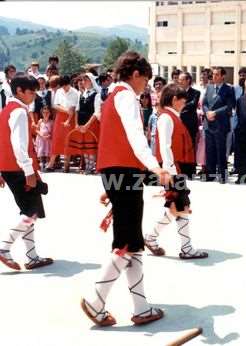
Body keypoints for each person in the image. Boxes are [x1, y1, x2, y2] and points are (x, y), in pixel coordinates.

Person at [80, 51, 170, 327]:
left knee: (132, 242)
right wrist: (156, 167)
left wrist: (113, 183)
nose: (146, 86)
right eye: (145, 79)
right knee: (126, 243)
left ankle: (141, 308)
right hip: (125, 171)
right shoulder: (126, 95)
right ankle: (96, 301)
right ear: (135, 74)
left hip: (118, 172)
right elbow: (134, 135)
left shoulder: (109, 97)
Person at [144, 83, 207, 259]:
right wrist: (169, 171)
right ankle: (185, 248)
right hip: (171, 169)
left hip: (173, 168)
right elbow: (165, 146)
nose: (184, 104)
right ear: (174, 100)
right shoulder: (166, 118)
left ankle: (151, 238)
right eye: (182, 101)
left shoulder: (171, 116)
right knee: (181, 206)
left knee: (177, 207)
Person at [0, 74, 53, 271]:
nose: (34, 96)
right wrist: (29, 171)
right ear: (19, 91)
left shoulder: (6, 110)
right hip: (19, 168)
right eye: (31, 92)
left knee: (29, 212)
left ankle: (32, 256)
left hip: (9, 167)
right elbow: (19, 145)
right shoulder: (19, 112)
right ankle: (4, 248)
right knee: (31, 212)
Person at [202, 67, 236, 183]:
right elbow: (204, 103)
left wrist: (215, 113)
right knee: (209, 150)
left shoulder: (229, 89)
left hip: (221, 124)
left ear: (223, 76)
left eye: (217, 74)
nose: (214, 77)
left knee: (221, 151)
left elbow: (229, 106)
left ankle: (222, 175)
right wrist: (207, 112)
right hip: (209, 123)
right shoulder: (209, 87)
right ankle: (210, 174)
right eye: (213, 74)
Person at [69, 73, 102, 174]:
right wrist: (76, 124)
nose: (84, 82)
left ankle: (92, 166)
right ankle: (87, 165)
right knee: (84, 146)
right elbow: (77, 110)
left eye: (86, 80)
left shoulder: (97, 95)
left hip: (91, 123)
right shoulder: (81, 94)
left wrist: (87, 125)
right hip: (82, 123)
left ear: (91, 81)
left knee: (91, 146)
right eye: (83, 80)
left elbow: (97, 112)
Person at [47, 75, 79, 172]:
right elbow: (55, 105)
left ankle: (66, 165)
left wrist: (68, 120)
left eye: (66, 86)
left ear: (69, 84)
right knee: (57, 140)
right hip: (60, 116)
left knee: (68, 140)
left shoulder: (75, 92)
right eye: (62, 86)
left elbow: (73, 109)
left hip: (71, 118)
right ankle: (50, 164)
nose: (64, 88)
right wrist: (65, 110)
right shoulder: (59, 91)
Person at [178, 72, 200, 178]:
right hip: (179, 124)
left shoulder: (196, 92)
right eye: (179, 79)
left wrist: (181, 107)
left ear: (188, 81)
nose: (180, 81)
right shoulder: (177, 92)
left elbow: (192, 105)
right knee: (181, 147)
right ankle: (182, 169)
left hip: (190, 124)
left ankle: (190, 170)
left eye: (182, 79)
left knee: (190, 147)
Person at [35, 106, 54, 171]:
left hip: (48, 139)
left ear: (50, 113)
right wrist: (41, 134)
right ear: (42, 113)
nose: (45, 114)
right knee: (41, 151)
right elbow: (37, 130)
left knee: (48, 151)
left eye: (47, 112)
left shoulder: (51, 122)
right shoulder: (40, 121)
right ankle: (41, 164)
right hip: (41, 139)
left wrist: (49, 135)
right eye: (44, 112)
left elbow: (53, 131)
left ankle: (47, 164)